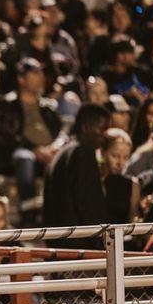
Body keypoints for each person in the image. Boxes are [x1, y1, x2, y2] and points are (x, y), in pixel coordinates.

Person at [0, 58, 63, 204]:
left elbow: (62, 132)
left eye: (41, 73)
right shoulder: (8, 103)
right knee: (24, 157)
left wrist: (56, 145)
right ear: (21, 79)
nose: (41, 77)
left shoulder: (49, 106)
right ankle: (28, 208)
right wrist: (34, 149)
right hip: (21, 151)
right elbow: (6, 135)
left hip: (49, 151)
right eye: (35, 73)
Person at [43, 103, 111, 250]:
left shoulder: (63, 152)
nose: (105, 134)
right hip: (80, 248)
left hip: (59, 245)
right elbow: (88, 204)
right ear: (86, 128)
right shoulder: (84, 152)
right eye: (102, 128)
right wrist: (101, 243)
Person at [100, 128, 140, 224]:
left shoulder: (132, 184)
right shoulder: (92, 181)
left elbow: (132, 224)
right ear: (103, 152)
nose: (120, 163)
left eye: (125, 157)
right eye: (115, 156)